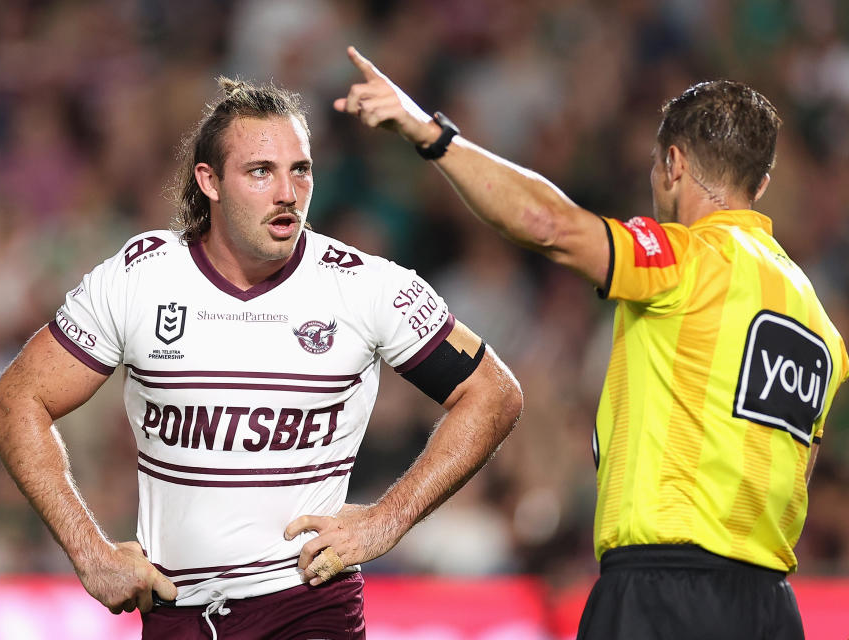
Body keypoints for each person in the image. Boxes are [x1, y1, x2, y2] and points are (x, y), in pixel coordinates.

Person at [334, 46, 849, 639]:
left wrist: (431, 134)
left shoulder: (687, 258)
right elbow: (799, 468)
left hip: (663, 596)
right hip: (771, 608)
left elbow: (548, 225)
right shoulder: (820, 324)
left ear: (673, 164)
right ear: (759, 181)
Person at [0, 77, 523, 639]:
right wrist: (89, 553)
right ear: (209, 181)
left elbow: (493, 393)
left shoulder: (364, 286)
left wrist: (387, 521)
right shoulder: (141, 277)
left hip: (308, 609)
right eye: (261, 171)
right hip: (176, 614)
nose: (287, 192)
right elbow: (14, 401)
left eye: (301, 169)